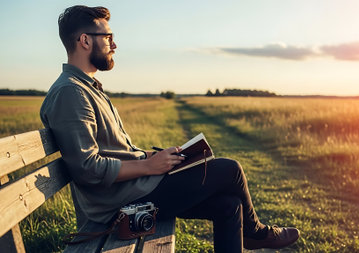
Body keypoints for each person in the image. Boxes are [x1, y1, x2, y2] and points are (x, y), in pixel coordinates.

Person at [40, 5, 299, 252]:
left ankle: (253, 232)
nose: (114, 45)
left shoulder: (86, 88)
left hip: (133, 189)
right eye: (108, 37)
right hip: (116, 206)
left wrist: (149, 157)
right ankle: (255, 233)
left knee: (229, 205)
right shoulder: (70, 93)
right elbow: (87, 169)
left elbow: (112, 152)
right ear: (85, 41)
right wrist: (148, 167)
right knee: (230, 170)